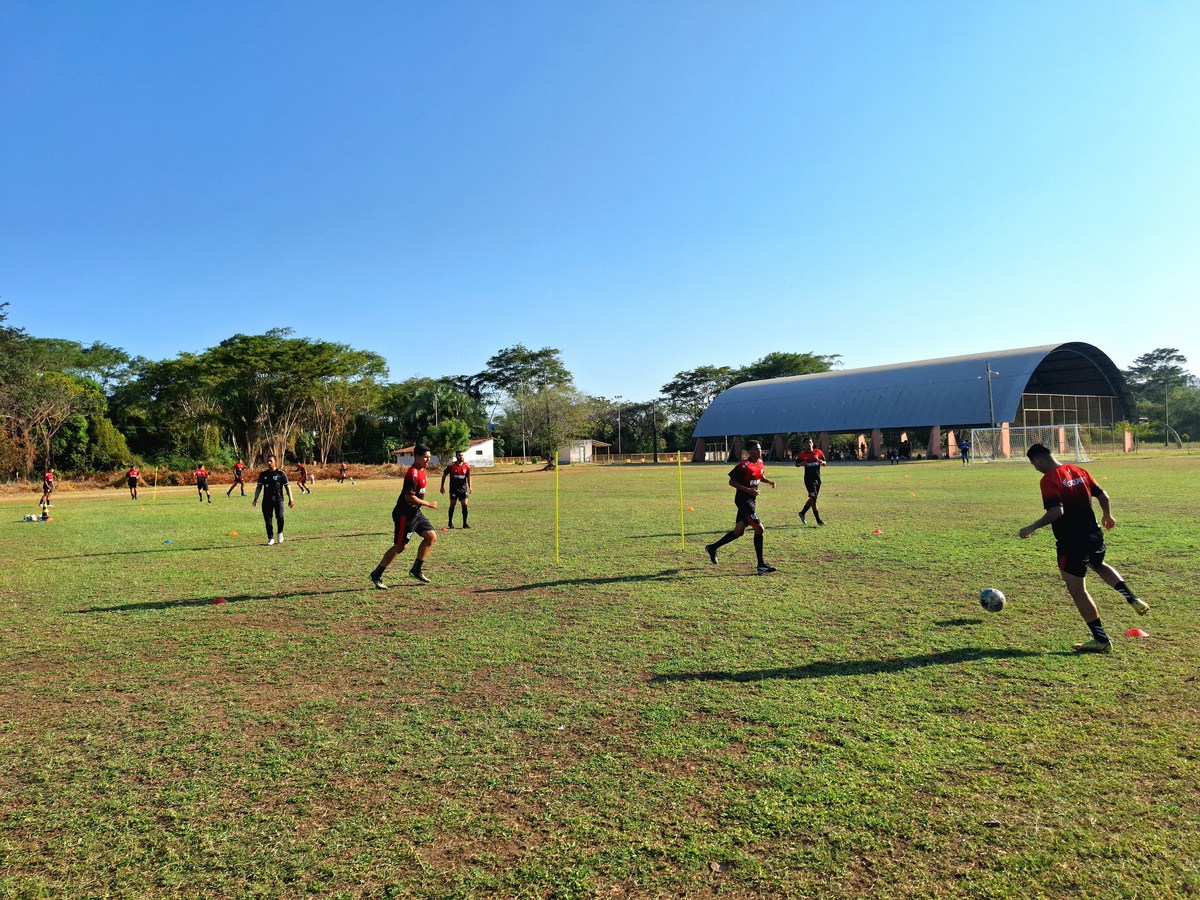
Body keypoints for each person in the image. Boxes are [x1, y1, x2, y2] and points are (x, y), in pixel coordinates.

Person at [1018, 443, 1148, 653]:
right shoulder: (1079, 470)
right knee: (1099, 564)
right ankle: (1132, 598)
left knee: (1078, 590)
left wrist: (1031, 527)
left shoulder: (1049, 479)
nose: (1034, 468)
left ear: (1038, 460)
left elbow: (1056, 512)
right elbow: (1103, 496)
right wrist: (1107, 515)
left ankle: (1101, 640)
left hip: (1072, 542)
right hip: (1094, 534)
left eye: (1033, 464)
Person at [704, 439, 777, 575]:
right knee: (760, 530)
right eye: (756, 449)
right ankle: (761, 565)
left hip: (751, 500)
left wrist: (768, 481)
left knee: (738, 532)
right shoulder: (744, 466)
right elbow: (731, 481)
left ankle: (712, 548)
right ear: (749, 451)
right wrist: (748, 490)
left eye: (760, 449)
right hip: (744, 501)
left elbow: (759, 475)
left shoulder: (760, 462)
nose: (759, 451)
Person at [370, 444, 439, 588]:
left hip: (416, 513)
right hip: (404, 514)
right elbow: (409, 498)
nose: (428, 459)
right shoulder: (412, 473)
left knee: (431, 537)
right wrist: (428, 503)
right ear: (417, 457)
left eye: (429, 456)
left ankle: (416, 569)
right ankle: (377, 574)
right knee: (400, 547)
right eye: (425, 457)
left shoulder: (422, 471)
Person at [252, 454, 294, 545]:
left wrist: (291, 499)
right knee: (268, 520)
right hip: (267, 500)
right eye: (268, 461)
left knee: (280, 517)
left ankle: (280, 533)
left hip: (278, 499)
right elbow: (259, 487)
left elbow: (287, 487)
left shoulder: (281, 474)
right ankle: (270, 538)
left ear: (276, 462)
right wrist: (255, 498)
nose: (269, 463)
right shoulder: (263, 474)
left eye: (271, 461)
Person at [794, 436, 827, 526]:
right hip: (808, 480)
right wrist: (801, 464)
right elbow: (796, 464)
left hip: (817, 479)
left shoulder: (818, 452)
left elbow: (825, 462)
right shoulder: (802, 454)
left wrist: (822, 462)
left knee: (813, 498)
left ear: (813, 443)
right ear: (804, 445)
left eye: (810, 442)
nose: (809, 444)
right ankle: (818, 520)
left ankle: (802, 513)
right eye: (807, 443)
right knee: (814, 499)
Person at [440, 449, 473, 528]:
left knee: (464, 505)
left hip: (463, 489)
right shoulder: (451, 466)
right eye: (459, 455)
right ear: (456, 456)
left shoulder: (467, 466)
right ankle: (450, 523)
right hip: (454, 489)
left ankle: (465, 524)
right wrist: (442, 486)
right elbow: (444, 475)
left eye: (462, 455)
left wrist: (470, 487)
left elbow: (469, 477)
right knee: (452, 505)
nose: (461, 457)